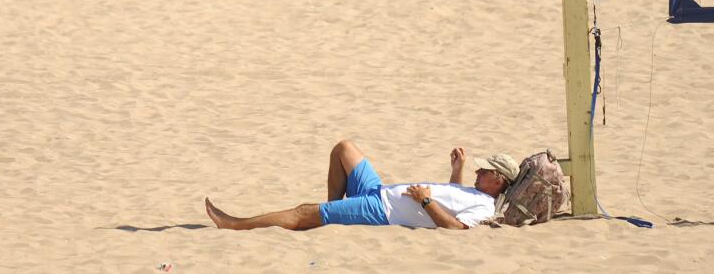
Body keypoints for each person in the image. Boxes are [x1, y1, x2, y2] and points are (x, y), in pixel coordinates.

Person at [204, 139, 518, 231]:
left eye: (484, 171)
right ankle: (331, 214)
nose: (479, 172)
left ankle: (235, 225)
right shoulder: (475, 191)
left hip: (382, 209)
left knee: (303, 212)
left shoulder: (485, 205)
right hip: (378, 191)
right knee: (344, 148)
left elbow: (455, 227)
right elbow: (453, 197)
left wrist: (425, 200)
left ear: (499, 181)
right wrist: (457, 170)